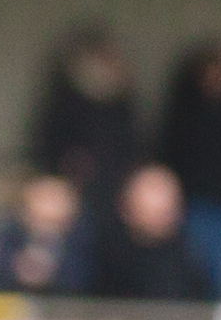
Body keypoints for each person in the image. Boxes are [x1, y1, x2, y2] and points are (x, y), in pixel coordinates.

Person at [157, 39, 221, 297]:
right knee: (188, 268)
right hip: (190, 203)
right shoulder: (184, 111)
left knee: (218, 272)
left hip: (220, 204)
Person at [25, 26, 141, 210]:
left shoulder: (122, 102)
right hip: (72, 190)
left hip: (114, 188)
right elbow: (51, 143)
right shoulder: (66, 101)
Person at [88, 162, 216, 303]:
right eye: (151, 191)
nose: (157, 209)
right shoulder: (100, 257)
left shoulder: (193, 259)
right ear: (125, 207)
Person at [0, 171, 86, 297]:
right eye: (43, 198)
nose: (48, 206)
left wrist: (50, 273)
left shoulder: (82, 240)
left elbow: (84, 279)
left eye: (54, 198)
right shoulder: (10, 235)